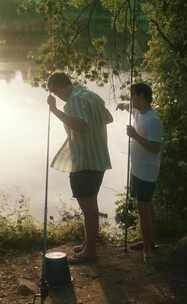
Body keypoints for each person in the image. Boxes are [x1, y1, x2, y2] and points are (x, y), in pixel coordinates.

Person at [46, 72, 113, 263]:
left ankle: (90, 252)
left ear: (60, 87)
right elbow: (108, 118)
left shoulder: (74, 100)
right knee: (91, 205)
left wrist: (56, 111)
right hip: (98, 157)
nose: (56, 96)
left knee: (88, 208)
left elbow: (81, 125)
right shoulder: (91, 95)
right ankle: (88, 244)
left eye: (55, 92)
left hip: (85, 161)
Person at [117, 83, 163, 261]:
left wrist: (135, 136)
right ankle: (149, 242)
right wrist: (122, 105)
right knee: (146, 206)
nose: (131, 99)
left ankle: (148, 250)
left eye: (133, 96)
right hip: (136, 169)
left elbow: (155, 148)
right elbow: (130, 108)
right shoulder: (138, 112)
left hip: (147, 172)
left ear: (142, 96)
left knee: (144, 210)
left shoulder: (153, 120)